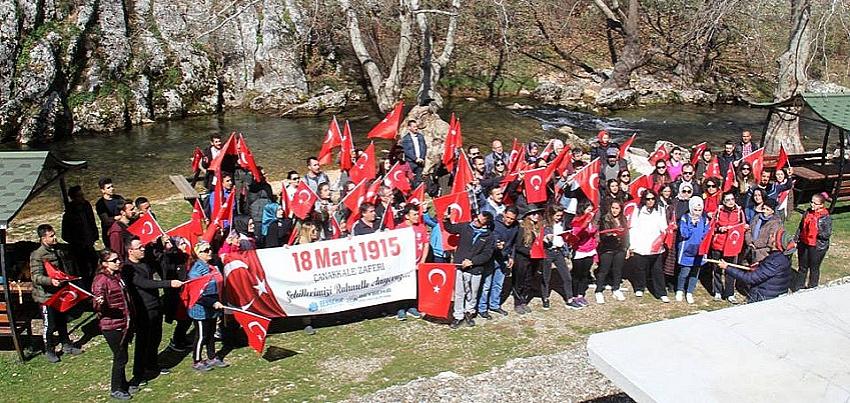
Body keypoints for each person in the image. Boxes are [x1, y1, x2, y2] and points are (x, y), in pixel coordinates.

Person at [123, 237, 183, 386]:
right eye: (139, 248)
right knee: (143, 342)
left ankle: (152, 364)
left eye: (142, 246)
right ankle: (138, 373)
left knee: (156, 337)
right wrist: (169, 284)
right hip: (143, 309)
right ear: (130, 251)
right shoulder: (128, 268)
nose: (143, 249)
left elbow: (161, 266)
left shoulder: (145, 262)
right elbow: (145, 283)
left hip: (155, 306)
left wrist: (167, 247)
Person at [30, 224, 83, 363]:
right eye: (51, 236)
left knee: (62, 321)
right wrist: (50, 281)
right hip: (46, 297)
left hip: (60, 293)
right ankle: (49, 349)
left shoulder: (58, 250)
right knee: (49, 325)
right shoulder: (37, 255)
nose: (55, 238)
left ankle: (67, 345)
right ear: (43, 238)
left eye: (54, 235)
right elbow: (35, 276)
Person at [91, 249, 134, 400]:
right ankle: (116, 388)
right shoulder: (100, 280)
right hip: (111, 325)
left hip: (123, 321)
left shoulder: (117, 275)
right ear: (104, 264)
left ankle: (123, 384)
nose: (118, 262)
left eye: (118, 259)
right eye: (114, 260)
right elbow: (97, 303)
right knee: (120, 357)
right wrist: (99, 303)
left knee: (123, 355)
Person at [444, 211, 495, 329]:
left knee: (472, 293)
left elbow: (487, 255)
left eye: (479, 220)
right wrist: (446, 220)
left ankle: (469, 312)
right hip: (460, 266)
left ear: (485, 224)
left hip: (475, 269)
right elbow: (451, 229)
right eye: (476, 218)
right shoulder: (466, 226)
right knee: (459, 293)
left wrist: (472, 262)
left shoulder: (489, 236)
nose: (475, 221)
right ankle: (458, 316)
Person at [717, 233, 795, 302]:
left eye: (773, 236)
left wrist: (727, 267)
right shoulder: (781, 257)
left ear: (775, 243)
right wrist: (759, 265)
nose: (770, 236)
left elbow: (750, 278)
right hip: (771, 295)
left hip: (763, 299)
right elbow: (765, 269)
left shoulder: (774, 262)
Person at [188, 241, 229, 371]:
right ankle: (197, 360)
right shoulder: (195, 272)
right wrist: (212, 303)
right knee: (201, 335)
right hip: (200, 309)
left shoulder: (213, 267)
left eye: (209, 249)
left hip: (213, 306)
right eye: (205, 250)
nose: (209, 252)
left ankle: (212, 356)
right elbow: (197, 294)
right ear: (198, 253)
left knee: (211, 333)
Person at [628, 190, 670, 302]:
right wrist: (632, 244)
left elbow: (663, 226)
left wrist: (666, 232)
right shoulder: (637, 210)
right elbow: (633, 227)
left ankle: (661, 292)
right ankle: (639, 287)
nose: (650, 201)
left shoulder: (660, 210)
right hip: (641, 244)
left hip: (655, 245)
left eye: (652, 199)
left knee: (657, 270)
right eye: (648, 199)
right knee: (640, 268)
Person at [478, 206, 518, 318]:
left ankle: (494, 305)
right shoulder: (494, 224)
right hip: (491, 257)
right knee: (486, 284)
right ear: (504, 214)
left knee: (498, 284)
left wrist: (512, 257)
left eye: (512, 219)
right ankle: (482, 307)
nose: (509, 220)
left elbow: (513, 243)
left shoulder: (515, 226)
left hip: (504, 259)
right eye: (508, 217)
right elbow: (488, 238)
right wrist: (496, 245)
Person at [709, 192, 746, 303]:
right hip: (719, 244)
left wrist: (743, 228)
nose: (730, 202)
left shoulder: (739, 211)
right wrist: (720, 229)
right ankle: (718, 292)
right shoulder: (719, 211)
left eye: (732, 199)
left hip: (732, 244)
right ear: (723, 201)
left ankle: (730, 293)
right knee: (717, 269)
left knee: (731, 269)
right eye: (727, 200)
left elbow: (742, 225)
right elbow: (712, 226)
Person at [541, 205, 579, 309]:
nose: (559, 217)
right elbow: (541, 238)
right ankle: (545, 298)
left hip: (559, 252)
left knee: (566, 276)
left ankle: (569, 298)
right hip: (547, 252)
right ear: (551, 214)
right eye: (557, 215)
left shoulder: (562, 224)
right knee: (546, 277)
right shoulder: (545, 224)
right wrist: (546, 239)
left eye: (560, 216)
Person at [675, 197, 710, 304]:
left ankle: (690, 292)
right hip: (687, 250)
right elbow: (684, 233)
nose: (697, 213)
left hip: (699, 250)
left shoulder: (704, 220)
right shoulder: (685, 218)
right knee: (684, 272)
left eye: (699, 210)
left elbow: (706, 233)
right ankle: (680, 290)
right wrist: (692, 224)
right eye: (695, 210)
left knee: (695, 273)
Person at [394, 205, 426, 320]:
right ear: (407, 216)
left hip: (417, 263)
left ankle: (412, 307)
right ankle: (400, 309)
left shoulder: (421, 227)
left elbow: (425, 244)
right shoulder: (399, 228)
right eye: (415, 214)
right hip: (403, 264)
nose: (417, 216)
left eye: (418, 214)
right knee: (403, 285)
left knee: (415, 286)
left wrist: (422, 260)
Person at [794, 193, 832, 290]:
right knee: (802, 267)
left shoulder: (825, 217)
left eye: (815, 203)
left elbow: (826, 235)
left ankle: (812, 288)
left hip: (817, 246)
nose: (812, 205)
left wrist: (816, 230)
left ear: (821, 205)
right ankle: (799, 287)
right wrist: (796, 239)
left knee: (814, 268)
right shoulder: (808, 212)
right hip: (804, 243)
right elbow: (801, 227)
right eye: (811, 202)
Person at [61, 185, 99, 281]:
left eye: (82, 195)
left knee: (95, 264)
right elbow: (65, 234)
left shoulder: (86, 206)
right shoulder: (69, 214)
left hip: (89, 242)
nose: (82, 198)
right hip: (79, 246)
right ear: (73, 198)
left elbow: (91, 222)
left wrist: (94, 237)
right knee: (83, 269)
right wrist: (77, 242)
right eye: (79, 196)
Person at [512, 204, 543, 315]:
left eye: (537, 213)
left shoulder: (539, 227)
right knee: (519, 281)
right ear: (528, 215)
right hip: (522, 259)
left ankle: (524, 300)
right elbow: (518, 246)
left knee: (529, 281)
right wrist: (529, 252)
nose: (536, 216)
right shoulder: (522, 227)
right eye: (533, 213)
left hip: (535, 259)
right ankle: (517, 302)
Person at [596, 200, 629, 303]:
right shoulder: (605, 219)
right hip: (607, 248)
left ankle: (616, 288)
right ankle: (599, 290)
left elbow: (627, 234)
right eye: (613, 208)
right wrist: (612, 234)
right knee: (603, 270)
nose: (614, 210)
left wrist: (627, 248)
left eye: (617, 208)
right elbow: (603, 235)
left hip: (620, 248)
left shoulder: (623, 219)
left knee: (617, 269)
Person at [570, 201, 598, 307]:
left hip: (589, 250)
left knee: (585, 274)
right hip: (579, 251)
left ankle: (581, 294)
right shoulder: (577, 220)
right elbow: (576, 234)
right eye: (588, 210)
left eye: (592, 210)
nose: (591, 213)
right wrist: (585, 223)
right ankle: (574, 294)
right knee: (577, 274)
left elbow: (594, 235)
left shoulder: (592, 222)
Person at [745, 198, 783, 265]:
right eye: (763, 209)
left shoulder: (775, 223)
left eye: (767, 209)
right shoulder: (757, 217)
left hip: (763, 253)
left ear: (772, 211)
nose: (764, 211)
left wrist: (755, 244)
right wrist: (749, 242)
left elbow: (771, 240)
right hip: (750, 249)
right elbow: (749, 230)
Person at [95, 177, 124, 247]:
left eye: (112, 186)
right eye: (108, 188)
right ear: (102, 190)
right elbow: (106, 221)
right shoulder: (100, 204)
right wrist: (120, 217)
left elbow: (126, 209)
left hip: (122, 229)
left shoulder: (119, 198)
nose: (112, 189)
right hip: (109, 233)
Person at [401, 120, 427, 185]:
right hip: (411, 162)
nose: (416, 128)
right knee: (411, 180)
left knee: (419, 180)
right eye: (414, 126)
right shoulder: (405, 139)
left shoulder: (420, 136)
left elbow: (424, 148)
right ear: (409, 128)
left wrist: (422, 158)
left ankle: (418, 193)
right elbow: (407, 151)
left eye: (416, 126)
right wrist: (415, 158)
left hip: (420, 162)